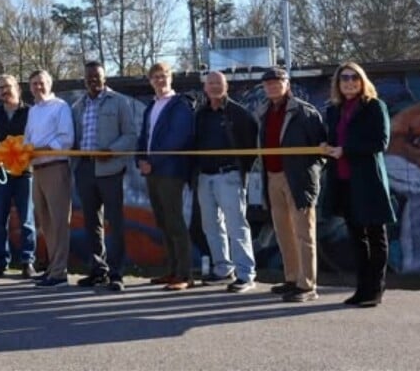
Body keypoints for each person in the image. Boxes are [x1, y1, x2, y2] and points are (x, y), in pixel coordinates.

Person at [321, 62, 397, 308]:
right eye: (344, 78)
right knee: (357, 238)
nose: (350, 82)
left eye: (354, 77)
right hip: (344, 182)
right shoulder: (334, 110)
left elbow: (380, 142)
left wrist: (346, 150)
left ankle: (375, 289)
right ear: (338, 83)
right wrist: (326, 147)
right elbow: (333, 140)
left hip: (368, 181)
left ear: (362, 81)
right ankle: (361, 289)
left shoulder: (375, 106)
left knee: (376, 236)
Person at [256, 67, 327, 302]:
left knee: (304, 234)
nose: (273, 86)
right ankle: (292, 278)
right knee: (283, 232)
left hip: (298, 179)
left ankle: (307, 286)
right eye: (268, 84)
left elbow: (321, 150)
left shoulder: (304, 112)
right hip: (272, 177)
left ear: (287, 83)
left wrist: (309, 177)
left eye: (278, 82)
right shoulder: (263, 111)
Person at [70, 61, 138, 292]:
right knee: (91, 224)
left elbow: (130, 135)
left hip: (110, 170)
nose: (93, 81)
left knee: (115, 222)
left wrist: (111, 152)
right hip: (85, 170)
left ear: (105, 77)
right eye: (89, 77)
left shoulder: (119, 102)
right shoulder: (78, 105)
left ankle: (117, 274)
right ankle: (98, 271)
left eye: (97, 77)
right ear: (84, 80)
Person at [194, 71, 259, 292]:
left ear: (226, 86)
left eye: (218, 83)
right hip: (205, 177)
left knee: (237, 226)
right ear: (205, 87)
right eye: (210, 83)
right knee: (211, 225)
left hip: (229, 175)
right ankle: (223, 269)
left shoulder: (240, 114)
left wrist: (241, 171)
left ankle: (246, 274)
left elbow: (252, 147)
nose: (213, 87)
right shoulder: (200, 114)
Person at [136, 62, 196, 291]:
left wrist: (153, 162)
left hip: (171, 171)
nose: (160, 80)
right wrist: (140, 160)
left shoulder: (179, 104)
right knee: (162, 222)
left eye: (164, 76)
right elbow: (144, 137)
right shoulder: (151, 106)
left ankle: (185, 274)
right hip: (152, 172)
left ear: (171, 78)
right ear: (150, 81)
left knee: (175, 221)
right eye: (155, 77)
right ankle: (171, 270)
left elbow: (177, 138)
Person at [23, 69, 75, 288]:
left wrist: (38, 149)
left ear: (50, 83)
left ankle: (60, 272)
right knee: (45, 222)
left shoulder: (60, 107)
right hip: (37, 169)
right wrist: (25, 152)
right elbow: (27, 139)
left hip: (56, 167)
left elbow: (65, 139)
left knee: (59, 221)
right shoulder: (33, 110)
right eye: (34, 83)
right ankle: (52, 268)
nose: (38, 87)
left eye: (41, 82)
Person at [0, 75, 38, 280]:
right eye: (0, 88)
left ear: (17, 88)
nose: (3, 91)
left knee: (26, 220)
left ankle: (27, 262)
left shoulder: (31, 112)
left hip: (25, 173)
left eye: (7, 86)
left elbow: (35, 138)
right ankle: (0, 263)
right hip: (0, 173)